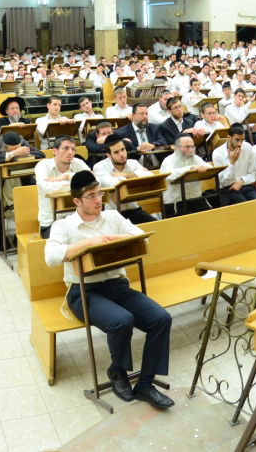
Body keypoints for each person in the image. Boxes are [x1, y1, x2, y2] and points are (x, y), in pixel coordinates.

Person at [44, 170, 174, 409]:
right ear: (77, 201)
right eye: (91, 196)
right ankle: (118, 371)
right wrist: (87, 243)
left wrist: (114, 239)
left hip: (118, 287)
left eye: (100, 194)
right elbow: (51, 256)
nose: (98, 200)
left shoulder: (112, 217)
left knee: (161, 318)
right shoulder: (63, 225)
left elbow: (140, 236)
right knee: (122, 321)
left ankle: (145, 385)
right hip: (84, 292)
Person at [0, 132, 44, 257]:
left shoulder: (22, 143)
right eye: (13, 148)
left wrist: (27, 153)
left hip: (21, 182)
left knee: (37, 200)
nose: (18, 149)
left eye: (18, 147)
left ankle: (30, 236)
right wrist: (13, 154)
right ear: (4, 146)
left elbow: (41, 154)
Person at [35, 136, 90, 239]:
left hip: (78, 218)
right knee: (74, 238)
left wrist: (67, 176)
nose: (70, 152)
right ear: (54, 151)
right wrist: (79, 182)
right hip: (51, 223)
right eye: (65, 148)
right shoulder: (42, 166)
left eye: (73, 149)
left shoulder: (78, 163)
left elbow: (95, 181)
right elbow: (49, 188)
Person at [92, 137, 157, 223]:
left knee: (156, 227)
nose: (122, 154)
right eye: (116, 152)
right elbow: (113, 184)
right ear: (109, 156)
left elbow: (149, 176)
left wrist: (124, 175)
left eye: (123, 150)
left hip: (133, 209)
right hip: (112, 214)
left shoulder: (133, 162)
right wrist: (135, 176)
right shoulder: (100, 167)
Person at [159, 133, 211, 215]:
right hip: (175, 203)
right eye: (187, 147)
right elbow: (170, 175)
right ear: (176, 147)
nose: (191, 150)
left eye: (192, 146)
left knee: (210, 217)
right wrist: (190, 169)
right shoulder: (168, 160)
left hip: (195, 199)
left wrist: (204, 167)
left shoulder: (195, 158)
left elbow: (209, 167)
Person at [211, 123, 256, 203]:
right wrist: (232, 163)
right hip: (228, 189)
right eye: (237, 140)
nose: (240, 144)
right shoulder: (218, 153)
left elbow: (254, 173)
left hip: (245, 185)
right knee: (243, 204)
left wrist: (242, 181)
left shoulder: (248, 147)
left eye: (242, 140)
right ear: (229, 137)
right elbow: (221, 181)